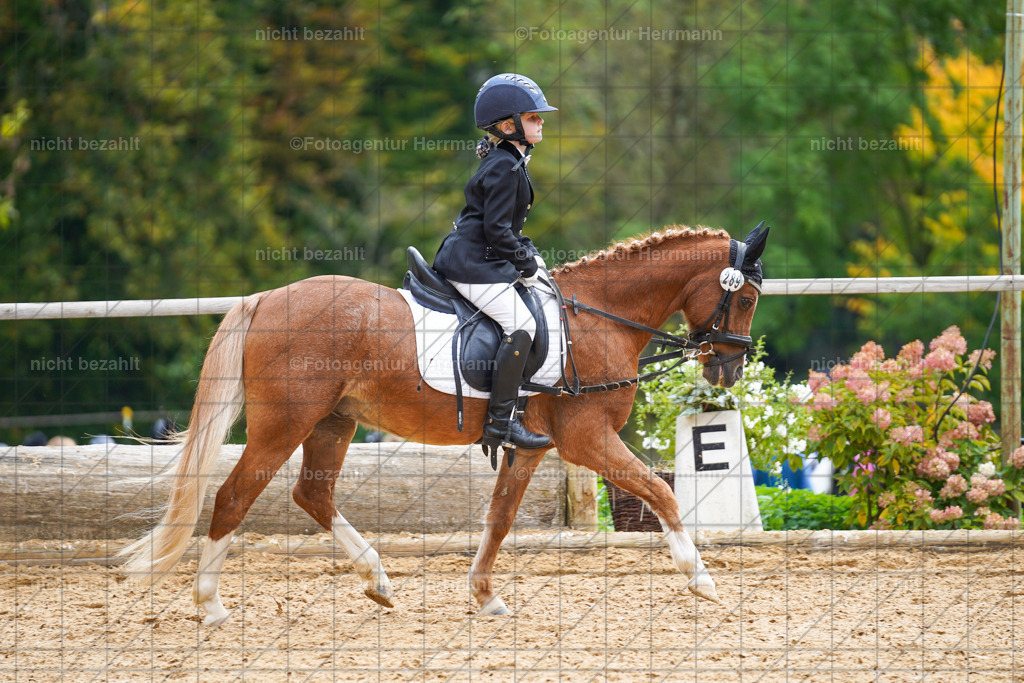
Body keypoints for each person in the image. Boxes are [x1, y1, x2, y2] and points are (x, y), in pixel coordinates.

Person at [432, 73, 556, 454]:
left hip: (480, 257)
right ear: (509, 125)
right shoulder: (505, 165)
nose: (542, 122)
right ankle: (501, 424)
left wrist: (531, 254)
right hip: (471, 263)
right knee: (521, 326)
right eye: (534, 117)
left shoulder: (512, 160)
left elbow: (510, 229)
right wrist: (525, 265)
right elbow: (498, 232)